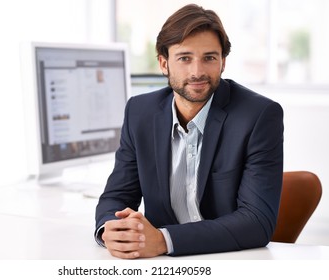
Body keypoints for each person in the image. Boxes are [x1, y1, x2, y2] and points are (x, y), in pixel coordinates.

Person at [94, 3, 283, 259]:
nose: (197, 72)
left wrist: (163, 240)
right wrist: (110, 230)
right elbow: (117, 196)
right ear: (164, 63)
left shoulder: (258, 116)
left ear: (223, 63)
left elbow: (257, 221)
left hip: (228, 259)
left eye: (209, 58)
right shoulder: (140, 112)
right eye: (184, 58)